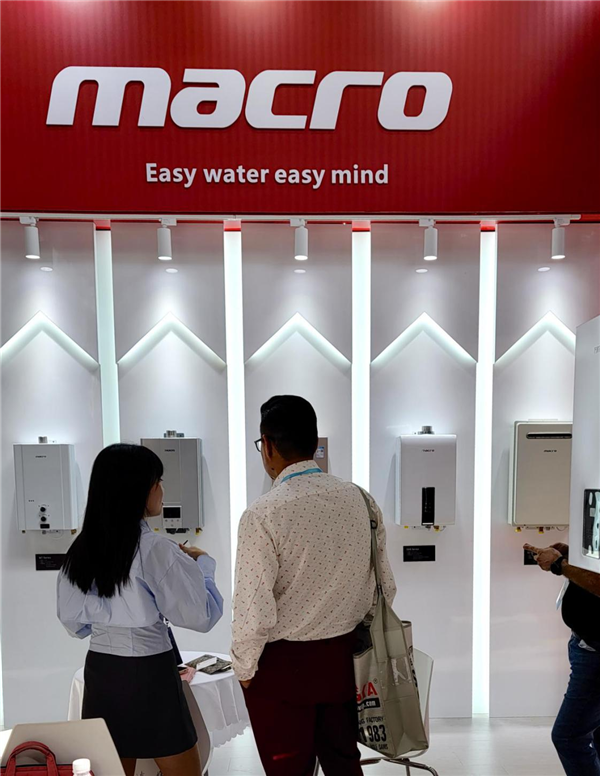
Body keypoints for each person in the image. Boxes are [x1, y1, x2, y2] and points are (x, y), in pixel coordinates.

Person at [232, 395, 397, 776]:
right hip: (345, 660)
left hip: (283, 669)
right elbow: (384, 588)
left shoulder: (262, 514)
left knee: (289, 770)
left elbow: (253, 610)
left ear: (268, 445)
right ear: (313, 441)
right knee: (344, 764)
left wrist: (244, 669)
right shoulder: (361, 500)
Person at [57, 444, 223, 776]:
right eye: (157, 482)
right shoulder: (155, 549)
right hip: (150, 672)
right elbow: (201, 615)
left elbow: (72, 621)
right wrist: (204, 565)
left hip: (102, 670)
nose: (162, 490)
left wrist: (109, 623)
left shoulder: (81, 549)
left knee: (111, 769)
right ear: (138, 490)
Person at [524, 541, 600, 776]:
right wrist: (570, 555)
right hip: (585, 644)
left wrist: (561, 565)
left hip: (595, 654)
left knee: (568, 736)